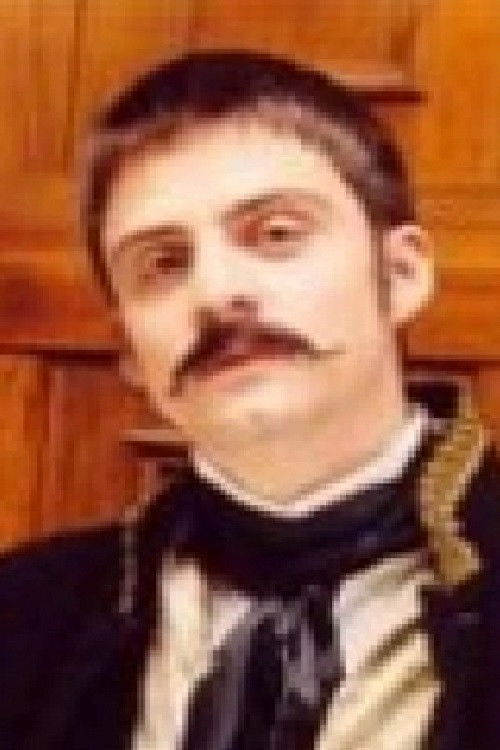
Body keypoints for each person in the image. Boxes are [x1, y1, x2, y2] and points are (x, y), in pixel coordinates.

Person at [1, 50, 499, 750]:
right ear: (130, 352)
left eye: (276, 234)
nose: (215, 292)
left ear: (402, 274)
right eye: (162, 263)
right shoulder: (23, 614)